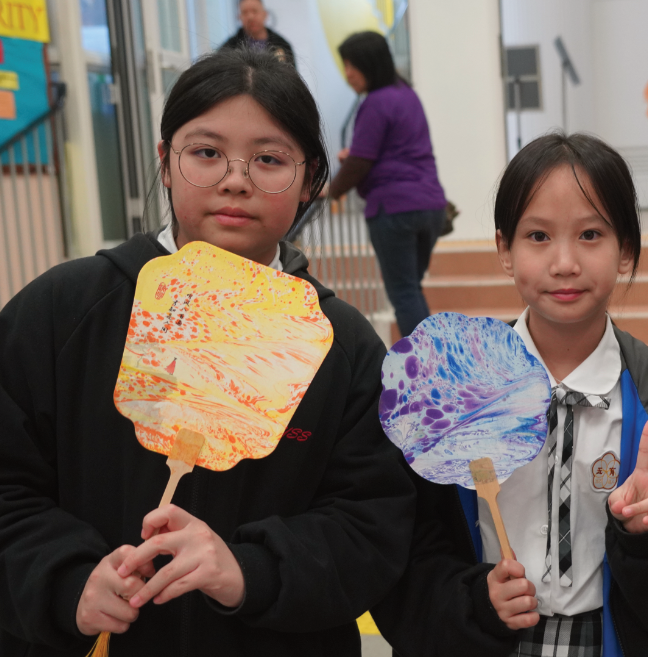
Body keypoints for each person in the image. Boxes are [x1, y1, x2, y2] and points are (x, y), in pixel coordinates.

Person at [0, 48, 414, 656]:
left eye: (269, 159)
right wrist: (65, 579)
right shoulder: (63, 312)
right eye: (206, 153)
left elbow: (369, 526)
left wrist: (248, 570)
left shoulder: (342, 347)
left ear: (309, 181)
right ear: (165, 162)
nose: (235, 180)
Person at [371, 133, 648, 657]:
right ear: (505, 249)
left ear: (626, 250)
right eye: (538, 236)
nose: (564, 262)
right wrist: (475, 601)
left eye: (591, 234)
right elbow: (404, 555)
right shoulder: (453, 391)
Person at [328, 31, 447, 338]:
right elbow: (395, 149)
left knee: (404, 293)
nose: (348, 74)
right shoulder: (407, 94)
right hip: (431, 205)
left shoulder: (375, 103)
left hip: (394, 208)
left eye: (352, 65)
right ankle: (430, 354)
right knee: (411, 289)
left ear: (370, 63)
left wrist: (330, 191)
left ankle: (423, 360)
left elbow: (360, 161)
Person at [220, 0, 294, 65]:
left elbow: (291, 74)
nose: (250, 17)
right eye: (245, 12)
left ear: (265, 14)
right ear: (239, 17)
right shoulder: (229, 48)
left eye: (254, 11)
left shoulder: (282, 45)